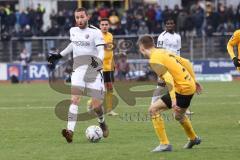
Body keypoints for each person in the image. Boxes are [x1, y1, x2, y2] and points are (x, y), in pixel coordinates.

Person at [48, 7, 109, 143]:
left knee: (96, 106)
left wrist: (97, 63)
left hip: (94, 69)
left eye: (82, 17)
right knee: (75, 99)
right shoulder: (73, 31)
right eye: (77, 17)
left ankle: (102, 122)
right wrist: (59, 55)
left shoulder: (96, 32)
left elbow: (101, 51)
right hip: (78, 69)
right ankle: (70, 131)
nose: (79, 20)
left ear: (87, 17)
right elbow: (73, 44)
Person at [137, 35, 202, 152]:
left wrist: (173, 100)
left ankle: (164, 144)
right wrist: (194, 80)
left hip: (182, 89)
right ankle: (193, 138)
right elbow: (186, 62)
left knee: (153, 110)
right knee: (178, 116)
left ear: (142, 47)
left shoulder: (154, 59)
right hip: (187, 86)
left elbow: (168, 78)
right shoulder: (162, 51)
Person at [156, 17, 193, 115]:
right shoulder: (162, 36)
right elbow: (159, 51)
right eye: (167, 23)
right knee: (161, 85)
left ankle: (185, 108)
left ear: (174, 25)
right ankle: (153, 104)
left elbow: (178, 51)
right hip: (165, 63)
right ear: (165, 25)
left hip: (176, 64)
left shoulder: (178, 36)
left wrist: (179, 62)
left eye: (171, 23)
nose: (169, 25)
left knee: (181, 85)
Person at [87, 18, 118, 116]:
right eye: (103, 24)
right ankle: (90, 103)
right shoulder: (97, 36)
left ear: (108, 26)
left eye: (106, 24)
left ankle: (109, 110)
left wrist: (113, 62)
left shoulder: (110, 36)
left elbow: (111, 51)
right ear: (100, 26)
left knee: (110, 88)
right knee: (100, 89)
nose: (104, 26)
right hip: (100, 66)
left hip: (109, 67)